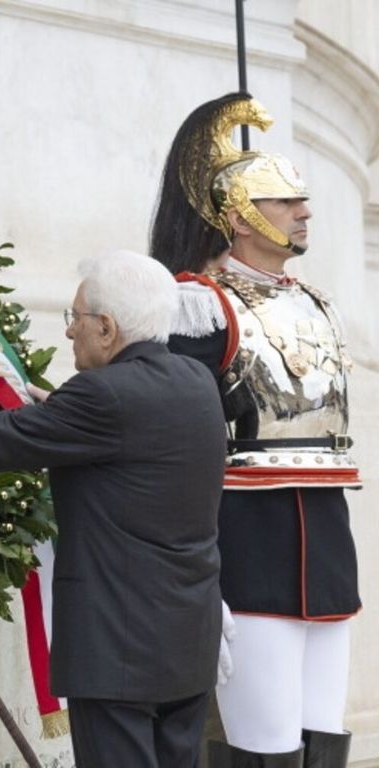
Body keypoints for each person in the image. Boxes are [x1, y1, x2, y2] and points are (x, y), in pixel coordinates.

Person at [0, 249, 227, 768]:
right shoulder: (195, 381)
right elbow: (132, 442)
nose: (67, 333)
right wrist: (63, 413)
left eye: (74, 319)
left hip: (117, 649)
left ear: (106, 327)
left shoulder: (103, 396)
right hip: (186, 642)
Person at [149, 92, 361, 768]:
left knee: (325, 737)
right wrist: (198, 574)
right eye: (283, 201)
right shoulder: (198, 305)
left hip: (326, 540)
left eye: (302, 200)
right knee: (264, 741)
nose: (303, 212)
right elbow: (179, 447)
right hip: (249, 543)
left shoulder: (318, 302)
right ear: (239, 218)